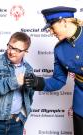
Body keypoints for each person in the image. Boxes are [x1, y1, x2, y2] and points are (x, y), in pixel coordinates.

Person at [24, 6, 83, 135]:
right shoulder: (59, 50)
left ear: (64, 22)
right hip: (81, 104)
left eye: (52, 26)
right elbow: (58, 80)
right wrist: (38, 83)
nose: (51, 31)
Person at [0, 32, 35, 135]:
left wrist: (23, 113)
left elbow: (29, 95)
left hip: (16, 123)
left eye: (17, 50)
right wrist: (14, 81)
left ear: (25, 52)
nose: (11, 52)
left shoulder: (28, 69)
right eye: (10, 47)